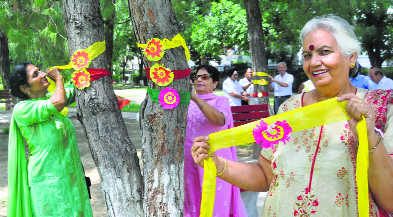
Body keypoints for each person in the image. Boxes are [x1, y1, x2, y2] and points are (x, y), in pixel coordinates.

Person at [191, 15, 393, 216]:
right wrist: (219, 164)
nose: (314, 62)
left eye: (325, 52)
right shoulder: (289, 109)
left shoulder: (380, 108)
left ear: (352, 57)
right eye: (307, 55)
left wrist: (369, 135)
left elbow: (390, 201)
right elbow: (265, 176)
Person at [8, 63, 93, 217]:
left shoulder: (48, 99)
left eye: (39, 71)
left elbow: (73, 89)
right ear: (24, 88)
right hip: (47, 180)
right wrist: (58, 78)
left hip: (70, 176)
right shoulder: (23, 109)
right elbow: (59, 102)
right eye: (35, 74)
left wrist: (86, 67)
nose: (42, 74)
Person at [184, 65, 247, 217]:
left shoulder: (221, 101)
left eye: (204, 77)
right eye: (196, 77)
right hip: (190, 161)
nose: (199, 80)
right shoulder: (184, 102)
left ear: (215, 83)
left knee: (215, 203)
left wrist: (196, 99)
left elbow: (219, 120)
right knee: (192, 201)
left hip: (213, 160)